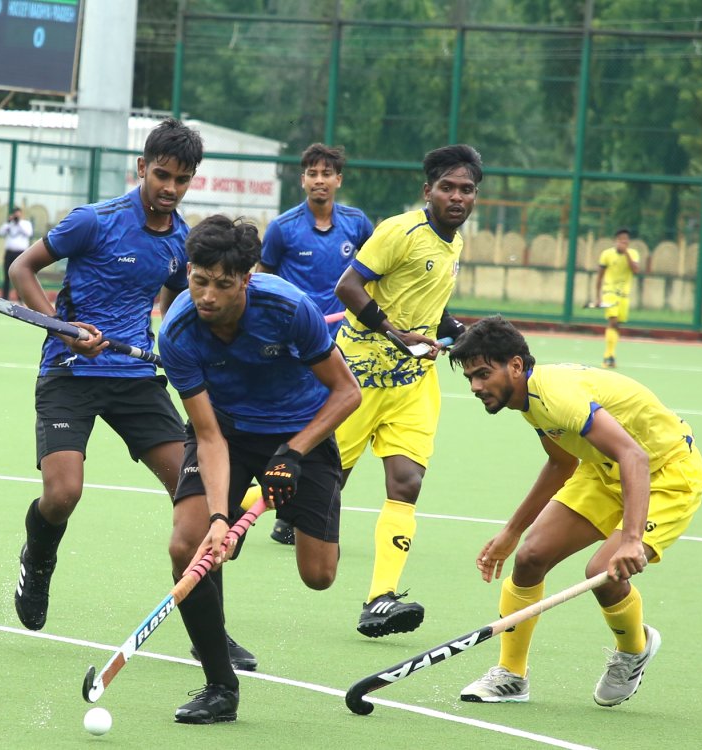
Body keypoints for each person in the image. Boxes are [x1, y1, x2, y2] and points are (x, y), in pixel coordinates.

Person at [6, 119, 258, 668]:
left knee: (201, 506)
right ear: (142, 167)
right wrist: (63, 329)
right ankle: (38, 560)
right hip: (69, 372)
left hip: (137, 379)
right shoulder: (93, 222)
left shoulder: (182, 242)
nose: (170, 188)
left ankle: (210, 634)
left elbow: (178, 304)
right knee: (63, 494)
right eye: (162, 175)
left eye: (182, 179)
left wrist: (184, 344)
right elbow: (22, 269)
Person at [157, 215, 361, 724]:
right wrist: (216, 519)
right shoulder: (178, 331)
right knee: (188, 545)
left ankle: (262, 499)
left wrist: (293, 453)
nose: (207, 296)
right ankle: (219, 687)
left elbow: (347, 392)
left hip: (301, 430)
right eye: (199, 280)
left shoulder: (289, 308)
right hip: (226, 430)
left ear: (247, 279)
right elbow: (208, 436)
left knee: (319, 575)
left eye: (222, 284)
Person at [449, 315, 702, 707]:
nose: (476, 387)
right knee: (531, 556)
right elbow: (561, 462)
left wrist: (632, 540)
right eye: (470, 378)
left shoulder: (556, 396)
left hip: (666, 474)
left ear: (515, 365)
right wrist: (512, 532)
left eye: (484, 374)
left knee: (603, 572)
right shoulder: (528, 400)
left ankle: (634, 649)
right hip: (603, 470)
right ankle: (512, 676)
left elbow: (634, 456)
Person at [333, 144, 482, 638]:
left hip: (413, 384)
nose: (457, 197)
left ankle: (380, 598)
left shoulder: (455, 243)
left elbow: (429, 304)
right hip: (357, 379)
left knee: (406, 483)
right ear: (427, 191)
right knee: (319, 488)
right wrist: (393, 332)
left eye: (466, 189)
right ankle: (228, 508)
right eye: (447, 187)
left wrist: (457, 330)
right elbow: (347, 287)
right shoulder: (400, 231)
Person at [253, 142, 373, 545]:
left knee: (330, 420)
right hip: (295, 343)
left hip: (341, 342)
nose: (319, 180)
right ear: (302, 179)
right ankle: (284, 509)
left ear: (339, 179)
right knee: (297, 420)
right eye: (312, 173)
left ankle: (296, 512)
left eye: (327, 174)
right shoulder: (283, 228)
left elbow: (375, 271)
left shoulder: (357, 224)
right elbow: (263, 281)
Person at [594, 228, 641, 368]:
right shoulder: (606, 254)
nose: (623, 242)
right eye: (621, 239)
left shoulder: (633, 254)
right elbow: (600, 276)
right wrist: (597, 297)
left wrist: (626, 253)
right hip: (609, 292)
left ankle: (611, 355)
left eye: (626, 239)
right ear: (616, 241)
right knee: (613, 321)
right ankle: (608, 356)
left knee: (617, 325)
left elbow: (635, 270)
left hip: (624, 295)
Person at [0, 206, 34, 300]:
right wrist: (9, 223)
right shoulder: (9, 224)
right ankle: (5, 297)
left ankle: (21, 298)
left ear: (21, 214)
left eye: (18, 214)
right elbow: (0, 232)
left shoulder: (25, 224)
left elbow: (29, 233)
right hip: (9, 253)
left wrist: (19, 223)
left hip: (21, 253)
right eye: (15, 214)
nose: (16, 216)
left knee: (20, 276)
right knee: (7, 275)